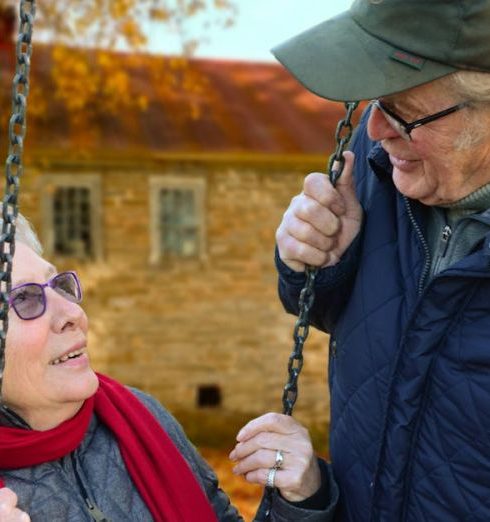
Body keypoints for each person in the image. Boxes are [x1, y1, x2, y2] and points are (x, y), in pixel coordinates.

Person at [272, 1, 490, 521]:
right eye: (374, 104)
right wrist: (316, 264)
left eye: (403, 112)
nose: (375, 130)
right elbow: (350, 316)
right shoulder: (381, 166)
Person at [0, 213, 338, 521]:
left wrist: (300, 502)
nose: (73, 314)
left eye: (58, 285)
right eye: (26, 299)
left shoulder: (141, 418)